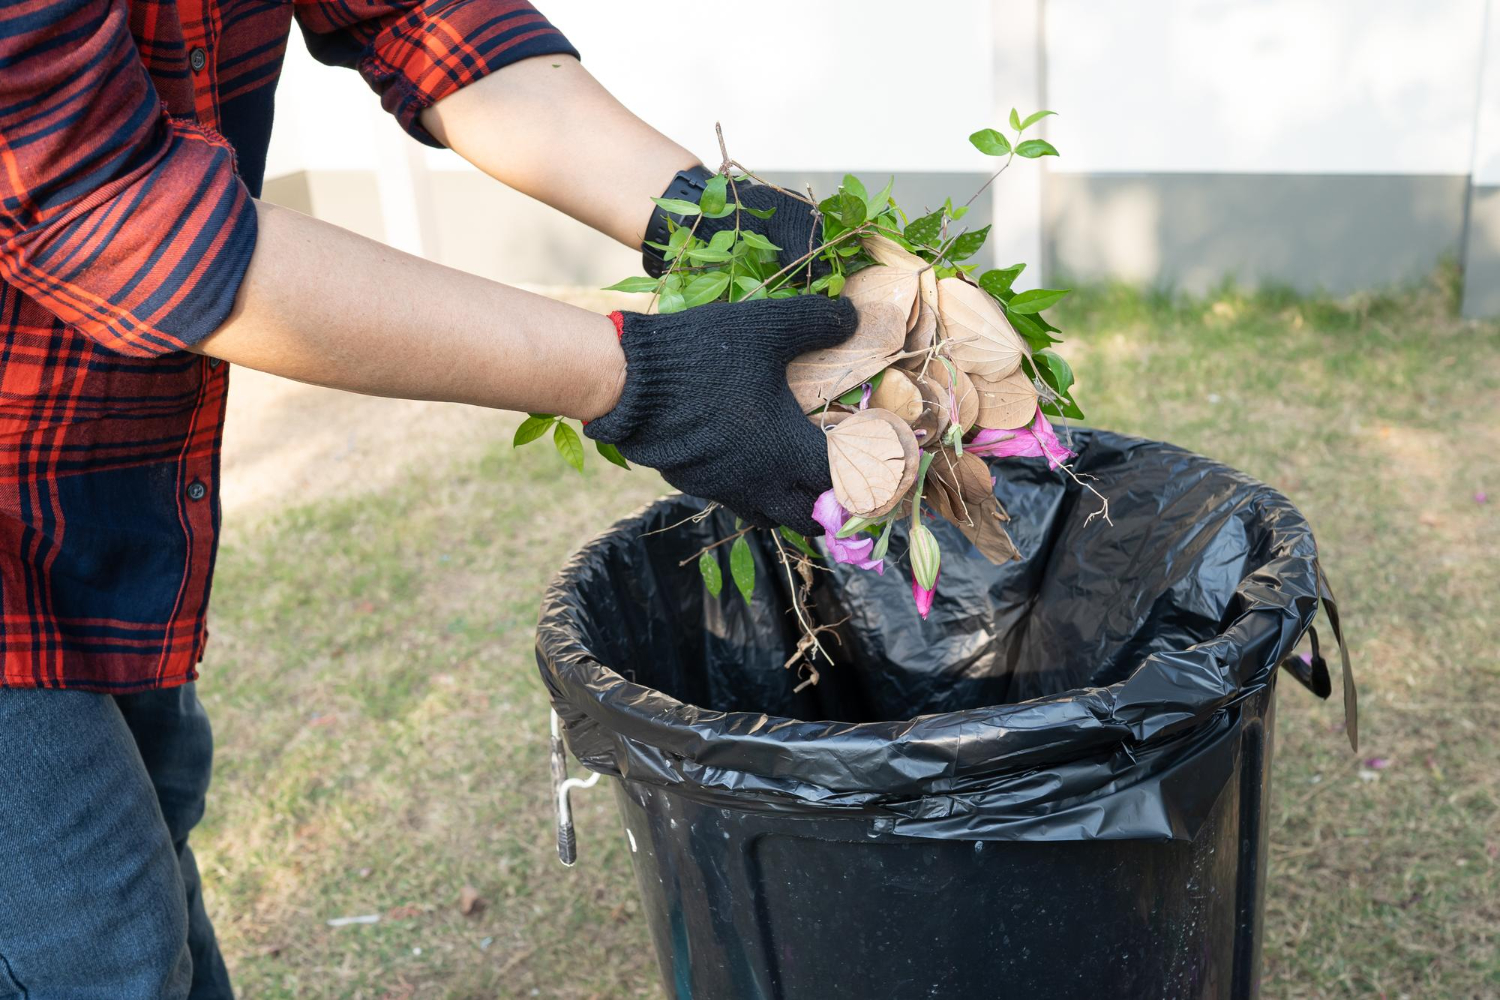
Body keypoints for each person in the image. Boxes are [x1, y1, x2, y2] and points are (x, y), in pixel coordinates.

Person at [0, 2, 853, 995]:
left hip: (93, 499)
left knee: (154, 861)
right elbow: (112, 209)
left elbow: (421, 18)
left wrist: (710, 218)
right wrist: (643, 380)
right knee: (100, 952)